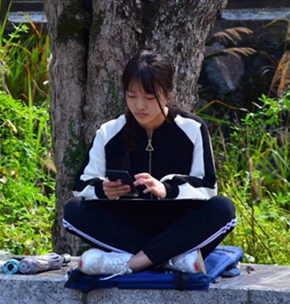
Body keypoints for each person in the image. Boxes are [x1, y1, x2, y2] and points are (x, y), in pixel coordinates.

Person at [63, 50, 236, 278]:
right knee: (73, 210)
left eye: (149, 97)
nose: (139, 105)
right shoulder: (109, 131)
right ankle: (173, 259)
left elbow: (207, 185)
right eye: (131, 96)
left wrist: (167, 189)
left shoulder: (192, 128)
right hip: (127, 224)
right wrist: (102, 189)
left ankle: (132, 262)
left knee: (223, 209)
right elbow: (82, 184)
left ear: (167, 92)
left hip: (178, 223)